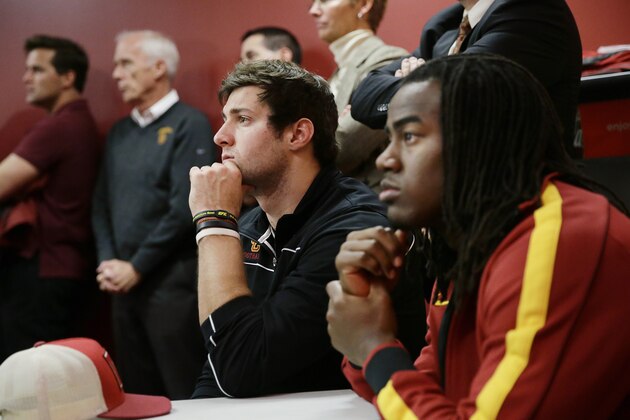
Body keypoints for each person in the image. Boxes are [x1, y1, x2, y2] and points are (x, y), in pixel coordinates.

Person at [326, 54, 630, 418]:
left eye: (408, 136)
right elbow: (439, 390)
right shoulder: (477, 236)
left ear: (479, 140)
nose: (385, 160)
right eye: (388, 140)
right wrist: (369, 342)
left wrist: (373, 346)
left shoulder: (559, 237)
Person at [188, 60, 425, 398]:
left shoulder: (351, 227)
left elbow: (242, 366)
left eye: (242, 119)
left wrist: (213, 223)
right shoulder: (251, 224)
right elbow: (217, 360)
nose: (220, 136)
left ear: (297, 134)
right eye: (225, 119)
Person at [92, 30, 214, 399]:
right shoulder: (119, 133)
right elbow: (100, 204)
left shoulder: (189, 124)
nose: (116, 74)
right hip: (121, 285)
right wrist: (109, 261)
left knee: (181, 388)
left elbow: (184, 207)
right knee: (137, 395)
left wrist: (137, 266)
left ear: (159, 68)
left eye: (125, 63)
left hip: (170, 286)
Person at [350, 0, 583, 158]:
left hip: (521, 206)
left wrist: (418, 81)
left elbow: (454, 93)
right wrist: (422, 83)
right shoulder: (446, 25)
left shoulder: (532, 11)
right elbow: (364, 96)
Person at [0, 35, 100, 363]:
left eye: (37, 69)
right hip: (62, 269)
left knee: (25, 373)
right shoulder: (79, 123)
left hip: (45, 271)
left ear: (68, 77)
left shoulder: (61, 125)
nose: (26, 77)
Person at [309, 0, 407, 190]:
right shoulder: (338, 74)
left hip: (369, 206)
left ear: (364, 4)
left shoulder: (389, 61)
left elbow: (344, 147)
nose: (313, 11)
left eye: (325, 1)